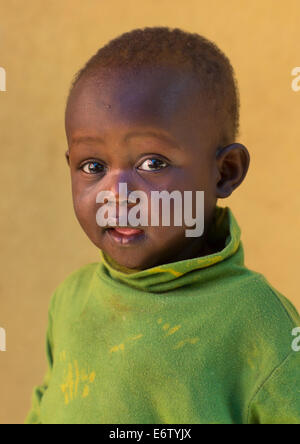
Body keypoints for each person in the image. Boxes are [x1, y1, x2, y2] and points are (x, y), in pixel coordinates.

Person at [25, 26, 300, 424]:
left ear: (225, 172)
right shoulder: (71, 300)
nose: (116, 194)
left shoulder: (261, 324)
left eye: (152, 163)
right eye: (93, 166)